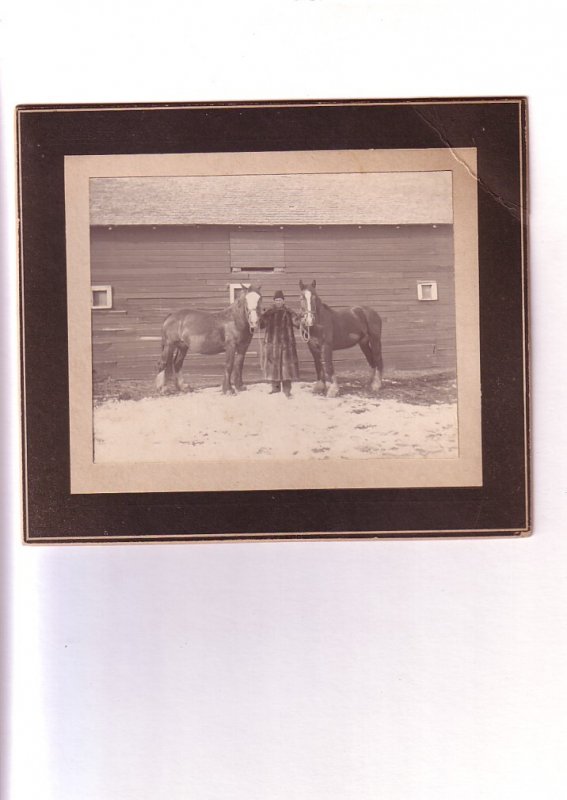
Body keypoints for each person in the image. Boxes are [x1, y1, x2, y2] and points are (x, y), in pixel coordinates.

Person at [259, 290, 300, 397]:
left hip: (287, 346)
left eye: (280, 300)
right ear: (274, 301)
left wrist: (302, 319)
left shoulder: (289, 312)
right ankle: (275, 388)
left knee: (287, 368)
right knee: (274, 367)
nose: (278, 302)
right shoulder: (269, 313)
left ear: (283, 301)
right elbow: (261, 325)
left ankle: (287, 390)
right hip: (273, 345)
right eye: (276, 300)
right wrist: (260, 317)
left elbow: (297, 323)